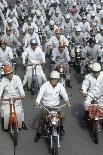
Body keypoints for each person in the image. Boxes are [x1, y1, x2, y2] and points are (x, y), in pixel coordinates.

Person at [34, 70, 71, 142]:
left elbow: (64, 93)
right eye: (52, 79)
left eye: (55, 79)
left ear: (58, 80)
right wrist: (37, 102)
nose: (54, 81)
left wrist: (67, 101)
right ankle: (38, 134)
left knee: (63, 116)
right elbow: (40, 94)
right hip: (46, 106)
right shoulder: (45, 86)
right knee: (43, 119)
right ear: (50, 79)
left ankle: (61, 128)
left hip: (56, 106)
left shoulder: (60, 86)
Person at [0, 64, 27, 130]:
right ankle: (4, 122)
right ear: (5, 74)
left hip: (16, 98)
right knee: (5, 113)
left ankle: (22, 122)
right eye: (8, 74)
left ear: (13, 72)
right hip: (6, 99)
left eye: (11, 73)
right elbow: (0, 89)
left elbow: (20, 88)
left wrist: (22, 95)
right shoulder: (3, 80)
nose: (10, 75)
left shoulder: (17, 78)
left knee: (20, 111)